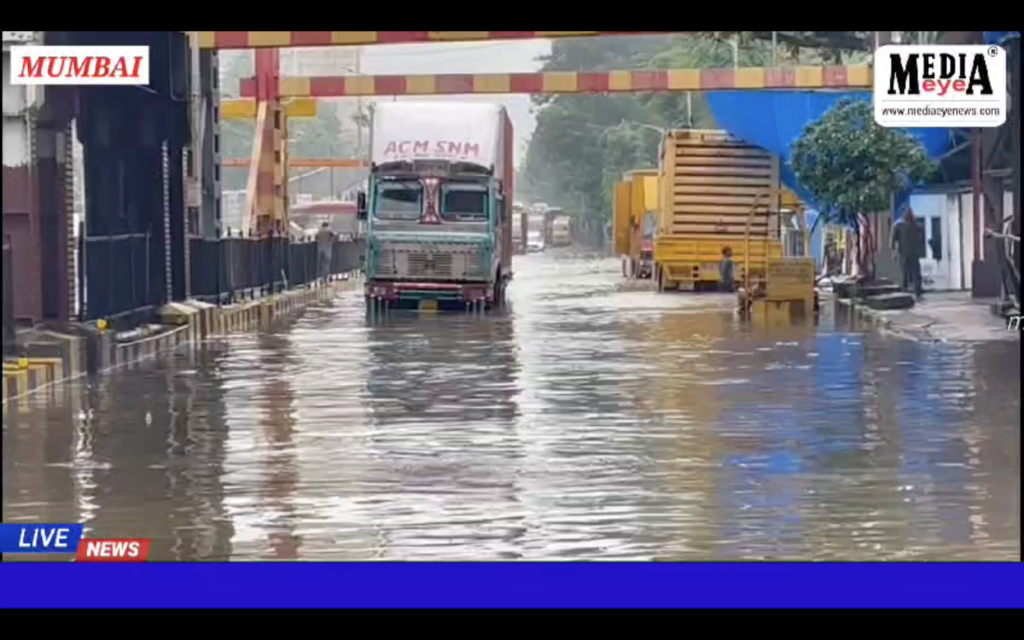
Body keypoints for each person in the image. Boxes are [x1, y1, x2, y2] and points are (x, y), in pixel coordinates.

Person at [891, 206, 924, 298]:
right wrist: (894, 251)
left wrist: (894, 251)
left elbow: (920, 238)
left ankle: (915, 291)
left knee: (912, 273)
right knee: (907, 273)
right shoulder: (900, 225)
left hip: (910, 252)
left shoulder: (913, 224)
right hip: (906, 253)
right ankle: (908, 291)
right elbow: (893, 240)